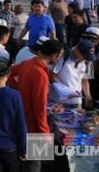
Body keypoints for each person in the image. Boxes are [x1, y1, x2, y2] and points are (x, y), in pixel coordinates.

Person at [8, 39, 63, 172]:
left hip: (22, 121)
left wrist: (17, 89)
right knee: (34, 166)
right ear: (53, 56)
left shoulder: (29, 63)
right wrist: (45, 135)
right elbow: (39, 110)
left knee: (25, 163)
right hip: (34, 128)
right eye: (59, 56)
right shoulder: (41, 75)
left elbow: (8, 71)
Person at [49, 39, 96, 109]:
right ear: (77, 50)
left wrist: (88, 96)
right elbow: (51, 76)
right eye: (84, 56)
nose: (85, 59)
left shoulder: (87, 61)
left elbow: (84, 80)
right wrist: (64, 91)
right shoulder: (63, 56)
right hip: (58, 101)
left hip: (77, 103)